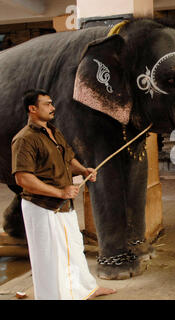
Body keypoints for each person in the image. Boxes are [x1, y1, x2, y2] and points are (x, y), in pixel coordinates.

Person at [11, 89, 116, 300]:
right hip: (42, 207)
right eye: (47, 104)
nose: (53, 107)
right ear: (33, 109)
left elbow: (68, 158)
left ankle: (87, 289)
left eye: (52, 103)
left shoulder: (53, 131)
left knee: (74, 250)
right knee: (50, 258)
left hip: (63, 205)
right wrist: (60, 191)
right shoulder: (24, 139)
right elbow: (23, 178)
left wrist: (83, 170)